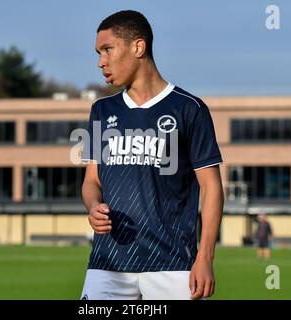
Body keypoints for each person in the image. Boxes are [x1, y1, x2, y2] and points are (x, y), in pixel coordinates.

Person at [80, 10, 224, 300]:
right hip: (108, 264)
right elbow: (91, 180)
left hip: (172, 265)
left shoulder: (189, 109)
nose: (101, 62)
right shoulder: (101, 111)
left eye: (107, 49)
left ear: (138, 47)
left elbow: (212, 187)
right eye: (98, 53)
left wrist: (205, 257)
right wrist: (93, 205)